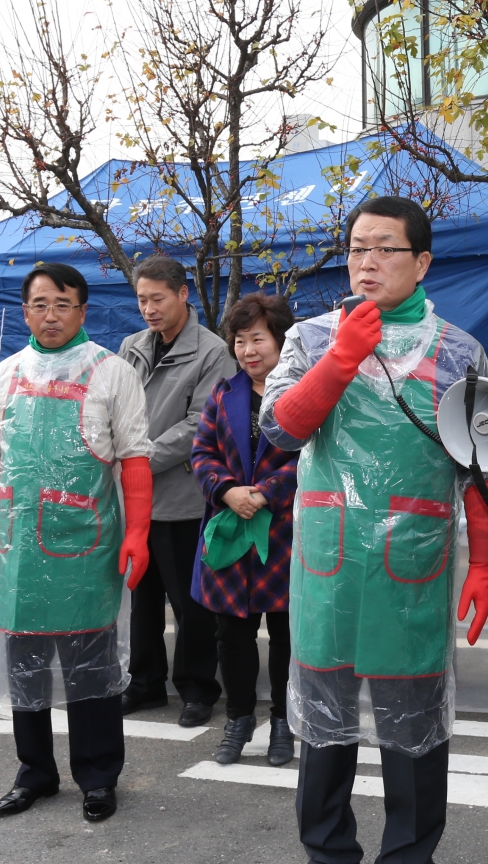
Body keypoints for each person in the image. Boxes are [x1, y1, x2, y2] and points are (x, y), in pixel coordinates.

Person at [263, 195, 488, 864]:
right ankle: (328, 850)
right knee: (323, 727)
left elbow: (486, 468)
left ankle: (409, 854)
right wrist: (342, 356)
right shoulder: (310, 339)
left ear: (422, 261)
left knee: (415, 734)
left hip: (412, 564)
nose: (365, 262)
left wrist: (484, 561)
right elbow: (280, 429)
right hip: (329, 564)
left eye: (383, 248)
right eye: (356, 248)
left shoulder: (459, 352)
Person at [0, 262, 154, 823]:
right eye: (39, 304)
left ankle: (97, 776)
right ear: (25, 311)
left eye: (62, 304)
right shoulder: (7, 373)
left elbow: (135, 456)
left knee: (91, 667)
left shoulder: (112, 372)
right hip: (20, 548)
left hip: (86, 545)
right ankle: (34, 772)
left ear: (83, 311)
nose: (50, 315)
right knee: (26, 667)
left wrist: (137, 532)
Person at [117, 255, 234, 727]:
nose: (149, 309)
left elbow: (201, 425)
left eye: (157, 299)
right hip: (135, 500)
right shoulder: (131, 347)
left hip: (184, 498)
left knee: (192, 606)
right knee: (141, 600)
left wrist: (137, 456)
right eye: (142, 299)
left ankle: (198, 689)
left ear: (183, 294)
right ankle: (144, 683)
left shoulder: (212, 352)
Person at [189, 292, 299, 766]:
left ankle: (282, 722)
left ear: (281, 340)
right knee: (231, 635)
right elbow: (201, 453)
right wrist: (227, 489)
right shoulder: (223, 393)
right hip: (231, 529)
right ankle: (238, 718)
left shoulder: (304, 393)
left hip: (286, 533)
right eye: (240, 340)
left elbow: (314, 457)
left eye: (258, 338)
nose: (249, 350)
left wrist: (268, 492)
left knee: (286, 636)